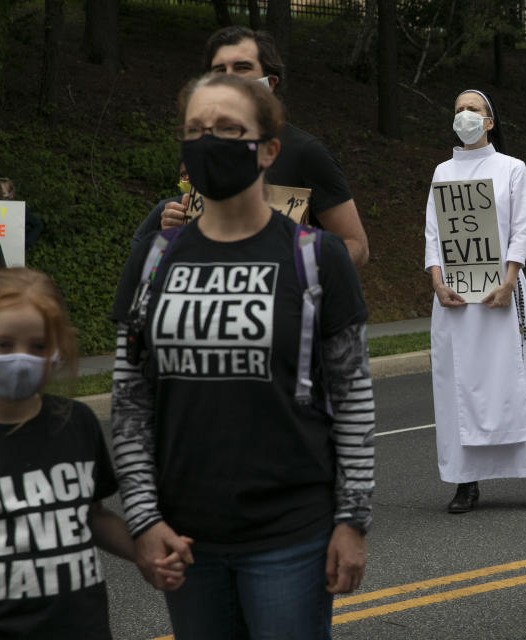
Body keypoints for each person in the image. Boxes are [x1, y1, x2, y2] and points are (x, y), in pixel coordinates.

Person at [110, 73, 373, 639]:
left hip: (292, 539)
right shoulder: (153, 258)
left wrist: (352, 521)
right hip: (187, 540)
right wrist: (144, 518)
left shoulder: (317, 257)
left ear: (269, 149)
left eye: (229, 129)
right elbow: (131, 403)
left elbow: (353, 399)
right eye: (196, 130)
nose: (210, 142)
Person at [0, 268, 186, 639]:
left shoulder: (76, 423)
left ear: (58, 349)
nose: (22, 359)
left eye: (37, 346)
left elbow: (93, 514)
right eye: (4, 344)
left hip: (82, 629)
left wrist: (146, 550)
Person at [424, 89, 526, 514]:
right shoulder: (442, 172)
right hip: (455, 300)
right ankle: (466, 483)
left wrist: (510, 279)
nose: (464, 114)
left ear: (489, 121)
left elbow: (520, 228)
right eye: (459, 108)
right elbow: (433, 233)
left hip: (502, 293)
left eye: (473, 109)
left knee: (517, 383)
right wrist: (437, 281)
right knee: (458, 390)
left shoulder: (512, 169)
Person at [151, 26, 369, 267]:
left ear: (271, 82)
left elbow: (357, 245)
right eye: (219, 70)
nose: (230, 77)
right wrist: (175, 227)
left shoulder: (306, 153)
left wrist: (304, 271)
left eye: (242, 67)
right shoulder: (201, 150)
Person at [130, 161, 189, 251]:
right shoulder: (166, 208)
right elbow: (137, 241)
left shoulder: (215, 209)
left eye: (194, 172)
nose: (187, 178)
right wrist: (166, 236)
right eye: (183, 174)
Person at [0, 177, 44, 250]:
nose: (0, 197)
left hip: (12, 254)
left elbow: (38, 225)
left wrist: (26, 243)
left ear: (11, 195)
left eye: (3, 193)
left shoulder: (18, 211)